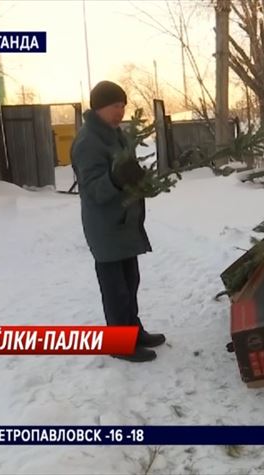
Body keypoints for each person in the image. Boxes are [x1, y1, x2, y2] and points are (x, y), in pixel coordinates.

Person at [71, 80, 165, 363]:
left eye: (123, 105)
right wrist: (116, 178)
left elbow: (126, 172)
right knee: (115, 289)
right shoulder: (89, 142)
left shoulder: (116, 135)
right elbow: (94, 190)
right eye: (115, 105)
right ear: (99, 107)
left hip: (124, 223)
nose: (121, 111)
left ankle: (133, 333)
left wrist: (139, 180)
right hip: (106, 226)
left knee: (130, 282)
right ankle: (119, 343)